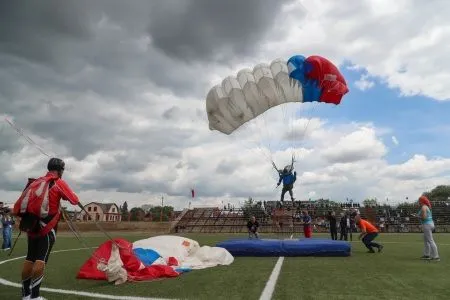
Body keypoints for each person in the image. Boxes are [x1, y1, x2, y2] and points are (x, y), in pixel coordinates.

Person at [15, 158, 79, 300]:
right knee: (41, 259)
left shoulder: (36, 182)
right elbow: (74, 200)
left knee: (30, 258)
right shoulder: (58, 182)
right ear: (60, 170)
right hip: (47, 228)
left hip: (32, 226)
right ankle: (35, 296)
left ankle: (26, 294)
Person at [416, 196, 440, 261]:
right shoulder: (427, 207)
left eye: (419, 201)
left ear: (421, 201)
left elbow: (424, 218)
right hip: (430, 224)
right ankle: (427, 255)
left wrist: (418, 216)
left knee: (430, 240)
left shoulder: (423, 207)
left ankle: (436, 256)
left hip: (427, 224)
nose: (418, 202)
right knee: (426, 240)